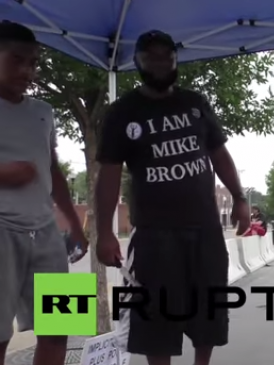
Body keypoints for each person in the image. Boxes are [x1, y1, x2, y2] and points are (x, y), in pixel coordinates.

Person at [94, 30, 250, 365]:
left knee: (208, 313)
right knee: (155, 319)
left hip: (205, 230)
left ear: (176, 60)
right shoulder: (123, 112)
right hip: (154, 234)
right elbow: (108, 175)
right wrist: (105, 232)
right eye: (152, 57)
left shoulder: (195, 103)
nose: (162, 63)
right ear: (138, 62)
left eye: (168, 56)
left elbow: (219, 154)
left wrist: (239, 197)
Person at [0, 21, 88, 365]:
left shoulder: (44, 112)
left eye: (34, 62)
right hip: (2, 231)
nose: (27, 70)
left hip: (47, 233)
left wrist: (75, 224)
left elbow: (53, 170)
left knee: (62, 325)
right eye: (16, 59)